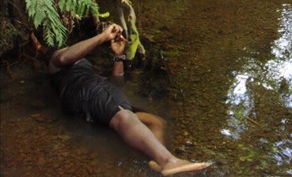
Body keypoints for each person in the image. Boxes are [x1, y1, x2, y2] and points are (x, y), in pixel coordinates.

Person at [48, 22, 211, 176]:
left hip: (89, 100)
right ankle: (168, 161)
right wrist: (102, 37)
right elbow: (65, 57)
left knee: (157, 122)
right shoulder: (57, 59)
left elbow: (117, 85)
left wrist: (118, 56)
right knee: (124, 116)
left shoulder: (80, 72)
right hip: (88, 93)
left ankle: (155, 162)